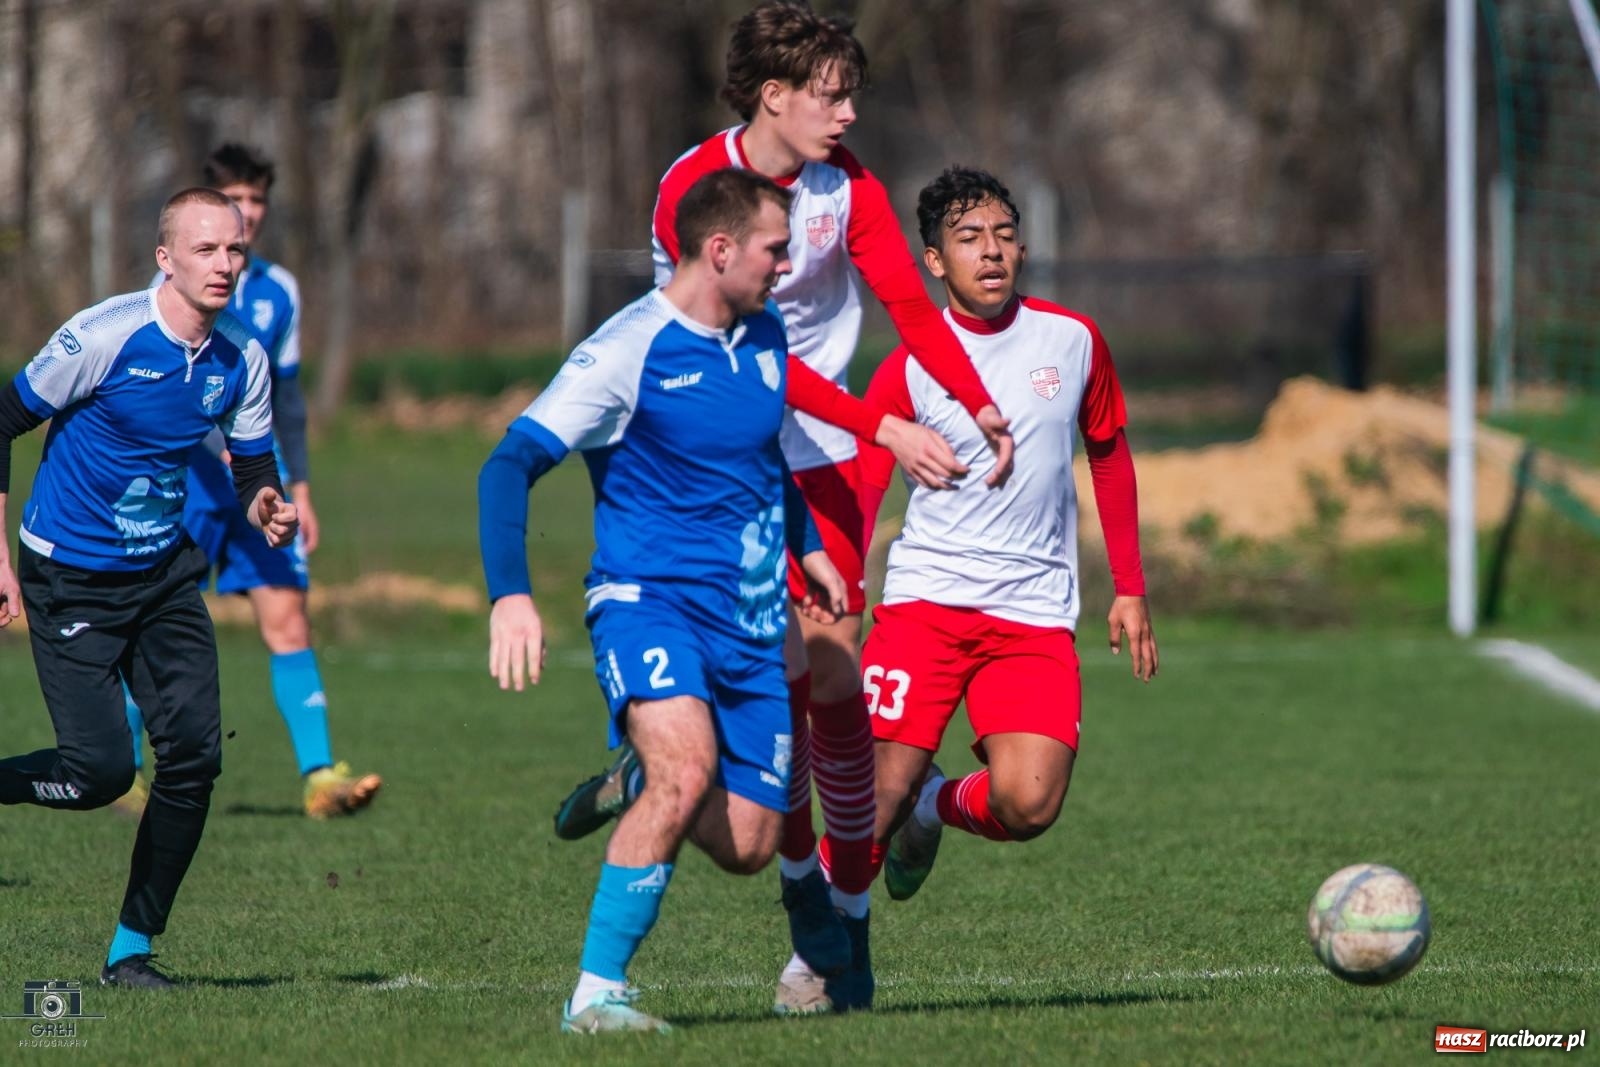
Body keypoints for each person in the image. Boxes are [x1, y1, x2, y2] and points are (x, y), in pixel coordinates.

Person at [552, 0, 1013, 1015]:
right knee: (785, 699)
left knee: (834, 689)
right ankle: (785, 882)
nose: (848, 113)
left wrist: (972, 400)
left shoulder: (850, 189)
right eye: (829, 95)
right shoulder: (695, 188)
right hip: (728, 454)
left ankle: (834, 923)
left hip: (830, 465)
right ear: (772, 96)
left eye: (851, 95)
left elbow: (904, 305)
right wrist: (882, 423)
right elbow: (748, 359)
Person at [477, 168, 963, 1033]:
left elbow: (758, 456)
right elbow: (508, 463)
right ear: (720, 249)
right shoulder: (628, 350)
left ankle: (638, 779)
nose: (789, 264)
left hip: (751, 618)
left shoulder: (766, 334)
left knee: (747, 843)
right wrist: (511, 597)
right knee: (687, 770)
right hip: (647, 602)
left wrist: (807, 545)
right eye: (777, 249)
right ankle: (596, 994)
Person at [0, 188, 297, 987]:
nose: (225, 265)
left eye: (234, 250)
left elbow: (253, 462)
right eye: (206, 250)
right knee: (97, 775)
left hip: (164, 574)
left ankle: (131, 950)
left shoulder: (242, 356)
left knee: (193, 759)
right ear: (165, 258)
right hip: (69, 576)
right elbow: (2, 418)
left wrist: (264, 501)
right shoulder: (104, 336)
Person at [856, 167, 1158, 916]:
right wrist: (840, 581)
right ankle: (820, 960)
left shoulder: (1073, 339)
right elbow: (862, 480)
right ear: (934, 262)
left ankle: (933, 809)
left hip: (1031, 611)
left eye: (1002, 235)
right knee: (871, 801)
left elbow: (1109, 453)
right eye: (967, 239)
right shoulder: (908, 365)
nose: (990, 251)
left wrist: (1129, 586)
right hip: (924, 604)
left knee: (1029, 803)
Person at [121, 143, 381, 820]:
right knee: (142, 619)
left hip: (261, 484)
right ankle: (124, 769)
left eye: (258, 200)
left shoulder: (280, 291)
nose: (249, 213)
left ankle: (320, 777)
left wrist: (301, 488)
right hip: (188, 481)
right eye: (235, 200)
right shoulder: (170, 289)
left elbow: (286, 402)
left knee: (289, 615)